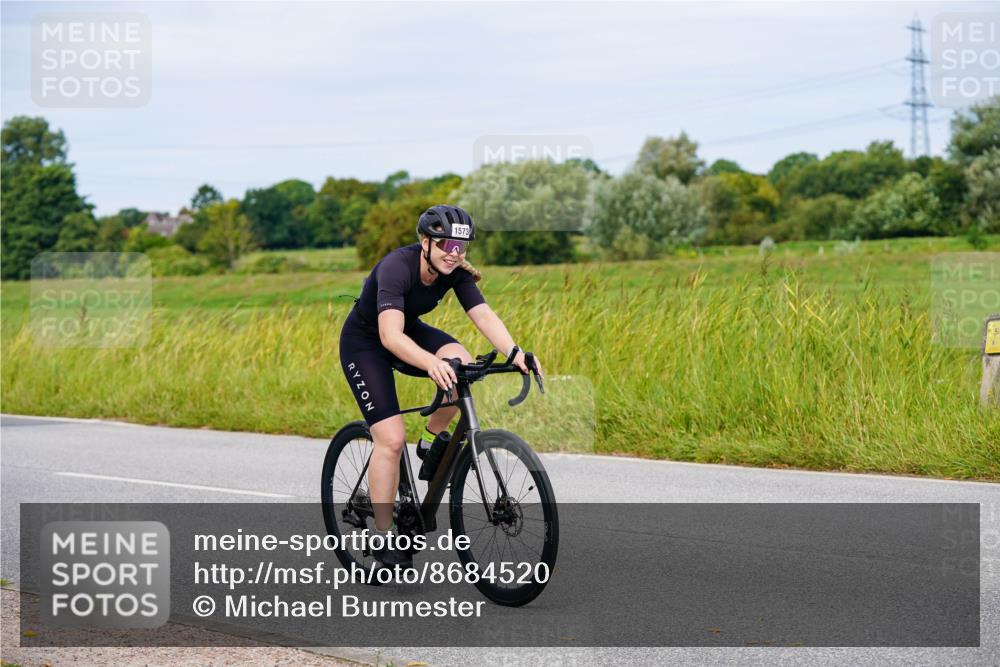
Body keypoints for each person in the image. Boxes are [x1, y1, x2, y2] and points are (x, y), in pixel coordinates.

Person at [339, 204, 544, 568]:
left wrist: (515, 353)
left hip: (408, 330)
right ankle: (384, 536)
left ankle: (430, 441)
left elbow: (482, 314)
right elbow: (389, 336)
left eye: (461, 247)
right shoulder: (396, 267)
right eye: (447, 245)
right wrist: (430, 362)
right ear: (426, 243)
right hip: (367, 343)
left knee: (460, 363)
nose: (454, 253)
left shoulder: (455, 270)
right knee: (390, 439)